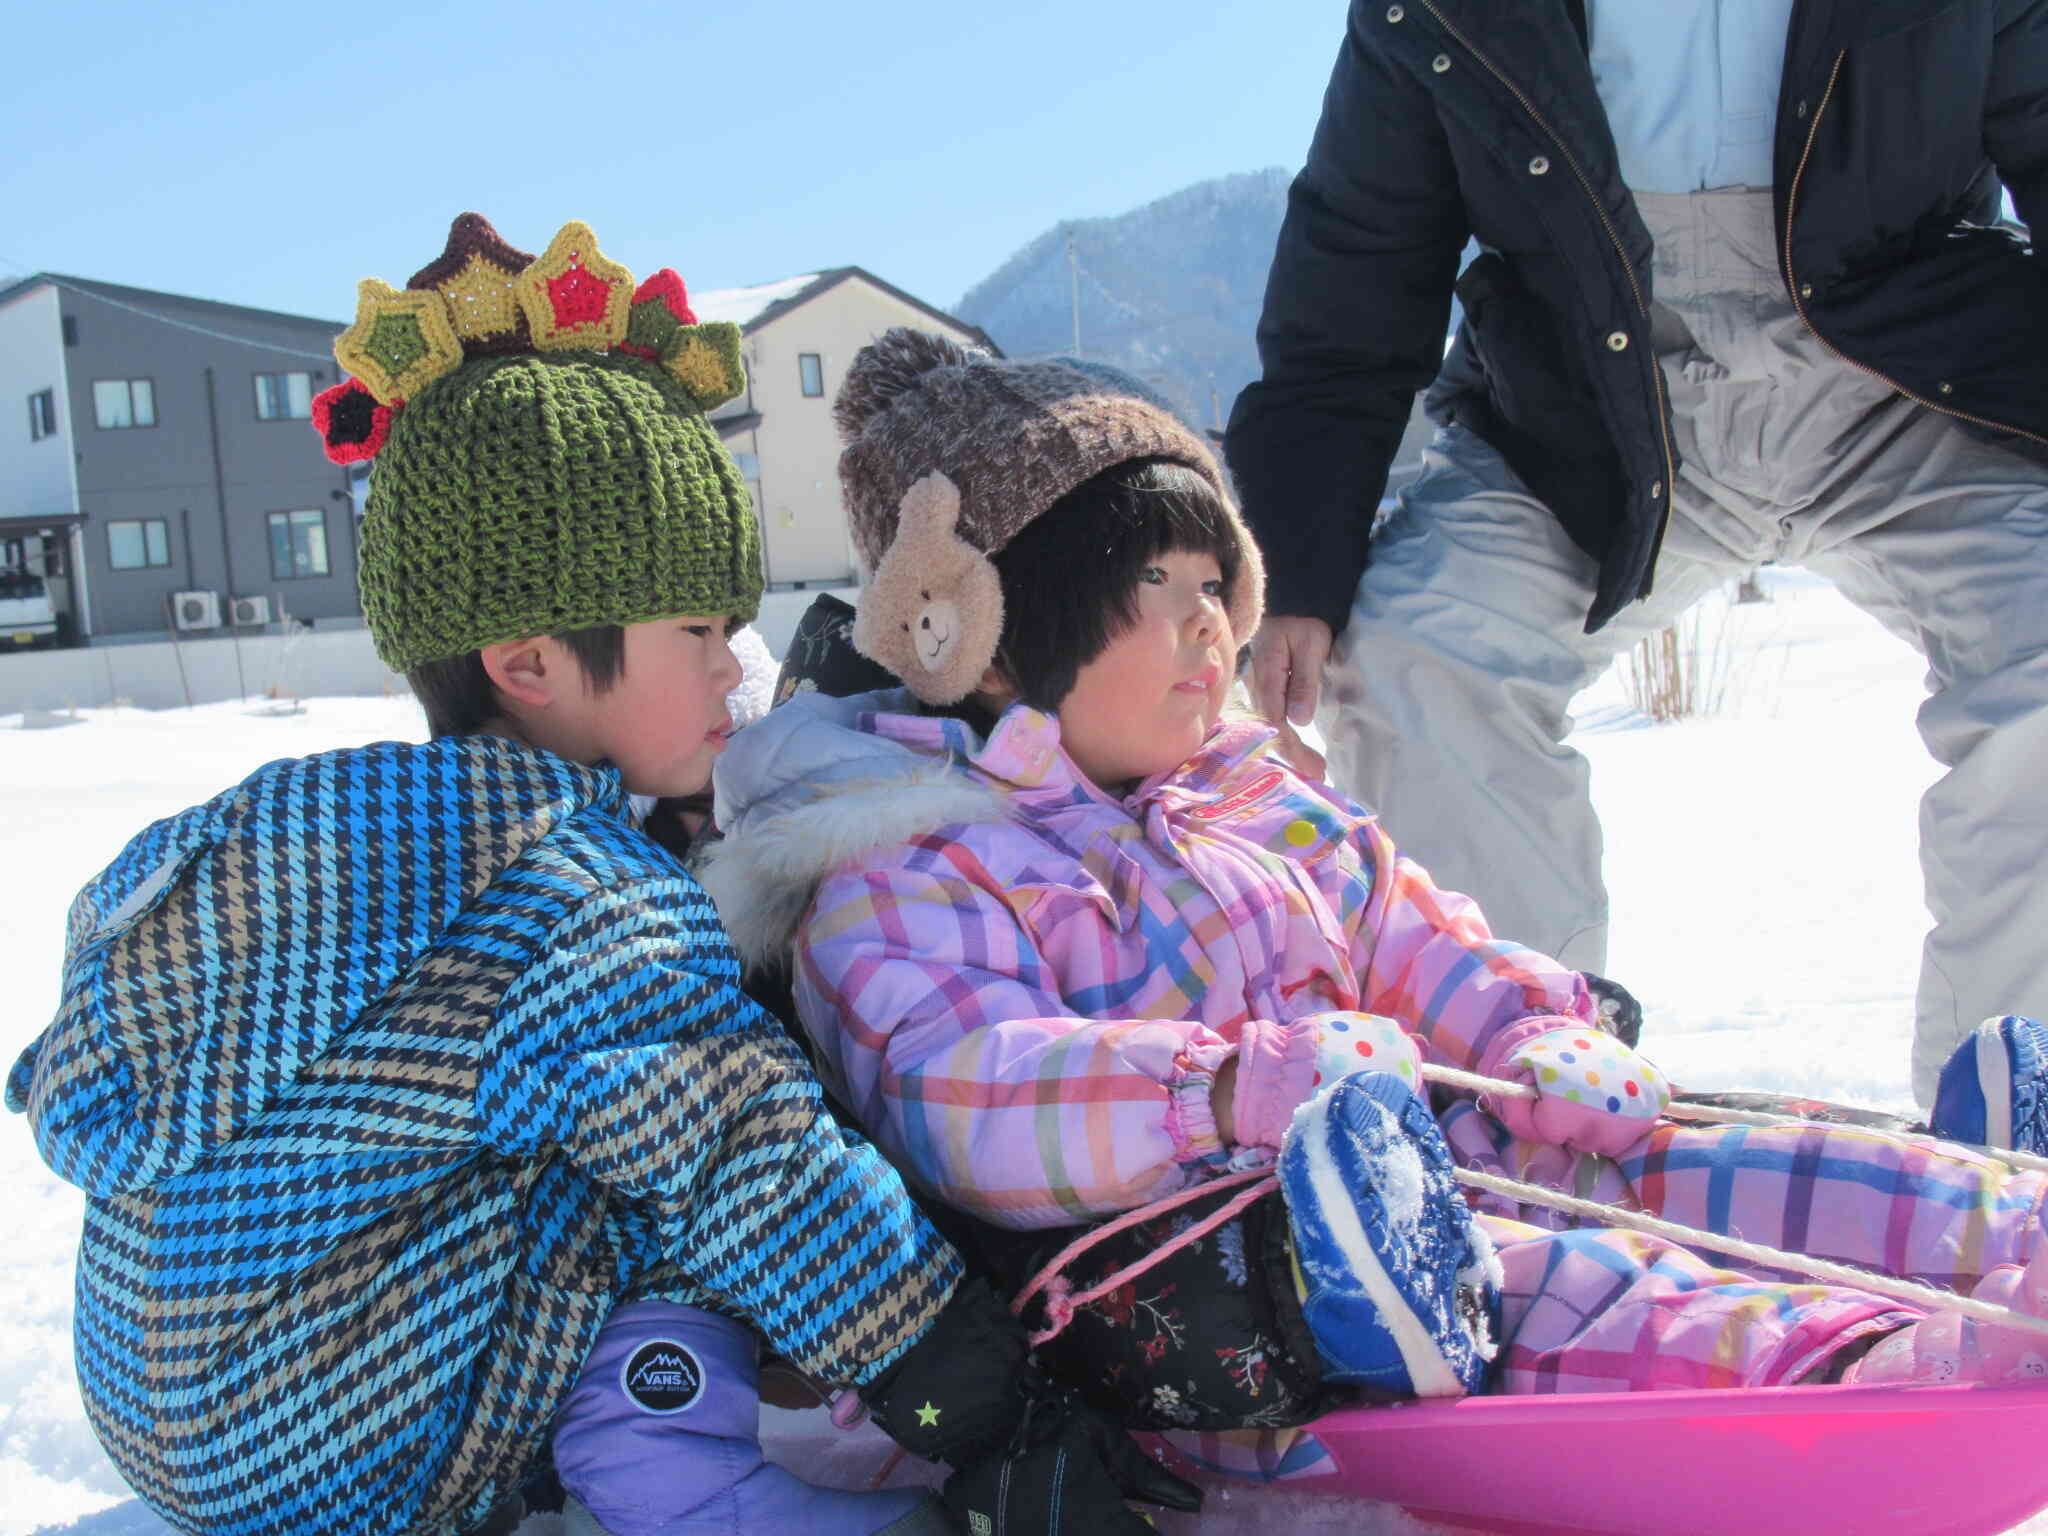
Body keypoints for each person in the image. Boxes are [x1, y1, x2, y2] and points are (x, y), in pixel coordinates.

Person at [4, 221, 1193, 1536]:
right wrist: (976, 1404)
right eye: (695, 628)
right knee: (686, 1187)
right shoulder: (562, 890)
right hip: (354, 1461)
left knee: (610, 1123)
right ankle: (733, 1495)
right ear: (529, 663)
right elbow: (752, 1159)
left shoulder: (343, 843)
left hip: (175, 1402)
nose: (737, 669)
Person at [704, 332, 2048, 1461]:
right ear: (982, 644)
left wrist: (1528, 1033)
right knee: (1572, 1280)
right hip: (1268, 1269)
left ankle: (1994, 1208)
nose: (1208, 629)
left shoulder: (1249, 790)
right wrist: (1222, 1089)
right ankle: (1886, 1375)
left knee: (1648, 1155)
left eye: (1213, 580)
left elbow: (1410, 931)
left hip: (1431, 1155)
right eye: (1148, 591)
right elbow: (968, 1094)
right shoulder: (900, 866)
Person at [1222, 0, 2048, 1106]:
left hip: (1909, 378)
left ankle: (2014, 1137)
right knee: (1423, 653)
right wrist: (1294, 570)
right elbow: (1358, 265)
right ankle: (1525, 1114)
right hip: (1596, 412)